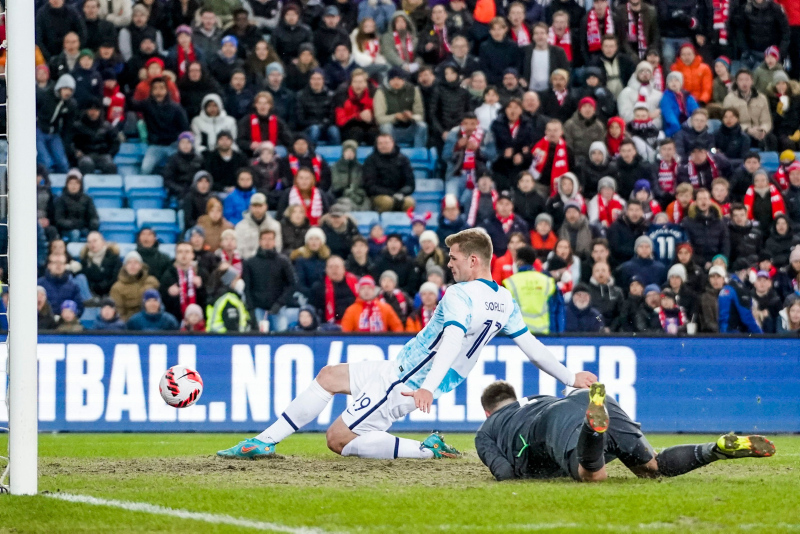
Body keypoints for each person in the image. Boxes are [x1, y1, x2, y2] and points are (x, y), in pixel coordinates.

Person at [219, 229, 596, 460]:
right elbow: (531, 347)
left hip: (408, 380)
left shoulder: (460, 294)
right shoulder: (503, 300)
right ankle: (264, 441)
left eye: (454, 258)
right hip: (402, 366)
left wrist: (427, 386)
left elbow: (450, 338)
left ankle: (424, 449)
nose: (449, 264)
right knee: (329, 375)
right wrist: (569, 375)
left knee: (338, 438)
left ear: (474, 260)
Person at [476, 380, 774, 482]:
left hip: (553, 423)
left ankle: (594, 429)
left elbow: (505, 473)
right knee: (652, 467)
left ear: (488, 411)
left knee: (590, 474)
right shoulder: (536, 398)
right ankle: (715, 449)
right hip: (578, 399)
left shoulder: (488, 428)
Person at [242, 229, 297, 332]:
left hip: (278, 307)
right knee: (260, 339)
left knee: (280, 336)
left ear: (274, 241)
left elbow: (292, 284)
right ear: (259, 241)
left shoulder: (283, 261)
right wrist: (251, 309)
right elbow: (247, 287)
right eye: (264, 239)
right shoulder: (250, 262)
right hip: (258, 308)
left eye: (270, 239)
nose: (267, 242)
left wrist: (280, 303)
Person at [373, 68, 427, 148]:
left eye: (399, 79)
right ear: (389, 80)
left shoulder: (413, 90)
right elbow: (379, 118)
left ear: (403, 80)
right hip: (391, 129)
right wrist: (395, 117)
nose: (396, 82)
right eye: (393, 79)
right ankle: (390, 152)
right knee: (385, 126)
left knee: (422, 126)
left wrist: (411, 117)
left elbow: (420, 115)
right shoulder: (381, 92)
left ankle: (419, 153)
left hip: (409, 127)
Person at [722, 69, 774, 151]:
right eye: (741, 80)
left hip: (758, 130)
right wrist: (748, 129)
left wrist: (762, 130)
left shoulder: (762, 98)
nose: (744, 83)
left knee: (771, 139)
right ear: (736, 82)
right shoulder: (729, 99)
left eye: (747, 79)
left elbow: (766, 121)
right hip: (739, 131)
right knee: (745, 138)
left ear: (752, 81)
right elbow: (728, 121)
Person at [362, 134, 416, 212]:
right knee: (387, 202)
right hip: (378, 195)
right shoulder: (370, 160)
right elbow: (370, 186)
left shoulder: (403, 159)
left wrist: (401, 193)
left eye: (386, 143)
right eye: (380, 143)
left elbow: (410, 184)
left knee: (409, 202)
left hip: (400, 194)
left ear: (393, 143)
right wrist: (392, 194)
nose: (383, 146)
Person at [236, 91, 293, 156]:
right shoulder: (246, 121)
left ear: (270, 105)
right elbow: (239, 141)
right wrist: (249, 145)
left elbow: (288, 140)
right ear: (255, 105)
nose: (262, 106)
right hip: (252, 155)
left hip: (273, 155)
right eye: (259, 103)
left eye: (265, 103)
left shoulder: (278, 121)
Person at [521, 22, 570, 93]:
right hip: (530, 91)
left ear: (547, 35)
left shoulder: (558, 52)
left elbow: (565, 71)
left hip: (551, 92)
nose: (539, 36)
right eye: (536, 33)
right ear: (533, 36)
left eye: (542, 33)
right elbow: (519, 69)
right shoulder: (525, 51)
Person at [53, 169, 100, 242]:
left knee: (93, 235)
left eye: (76, 183)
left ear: (80, 185)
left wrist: (93, 223)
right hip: (67, 229)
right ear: (67, 184)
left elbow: (93, 216)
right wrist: (73, 225)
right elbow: (59, 220)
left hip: (84, 227)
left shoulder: (87, 199)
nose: (73, 186)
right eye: (71, 183)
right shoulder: (61, 199)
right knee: (75, 233)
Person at [719, 259, 763, 333]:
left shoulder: (726, 287)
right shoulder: (739, 289)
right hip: (736, 334)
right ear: (743, 272)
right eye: (748, 271)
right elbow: (746, 317)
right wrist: (760, 334)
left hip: (723, 331)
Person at [235, 192, 283, 259]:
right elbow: (240, 250)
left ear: (266, 207)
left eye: (260, 206)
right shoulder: (240, 226)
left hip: (270, 262)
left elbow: (277, 248)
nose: (257, 209)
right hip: (248, 263)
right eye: (255, 206)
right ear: (250, 207)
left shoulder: (275, 225)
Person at [661, 71, 699, 138]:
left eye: (676, 80)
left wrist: (694, 123)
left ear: (681, 83)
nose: (674, 83)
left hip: (689, 125)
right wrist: (679, 129)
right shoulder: (666, 97)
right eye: (671, 81)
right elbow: (669, 116)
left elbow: (695, 111)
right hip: (673, 128)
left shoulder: (687, 96)